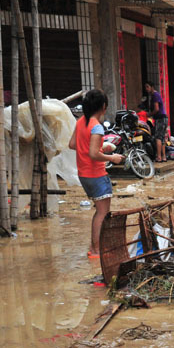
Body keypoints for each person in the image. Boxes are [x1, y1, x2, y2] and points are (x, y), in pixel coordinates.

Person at [67, 89, 123, 259]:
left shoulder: (81, 122)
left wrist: (99, 147)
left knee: (99, 211)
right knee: (102, 213)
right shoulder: (96, 127)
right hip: (96, 174)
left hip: (83, 174)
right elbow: (93, 154)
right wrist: (112, 157)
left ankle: (95, 247)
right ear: (103, 106)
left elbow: (72, 144)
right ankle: (96, 250)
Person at [144, 82, 168, 162]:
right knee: (162, 138)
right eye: (145, 87)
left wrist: (149, 114)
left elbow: (156, 109)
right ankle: (164, 157)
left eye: (147, 87)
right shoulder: (156, 95)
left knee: (158, 137)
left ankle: (158, 157)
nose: (146, 89)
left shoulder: (154, 95)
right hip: (164, 118)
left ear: (152, 87)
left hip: (160, 118)